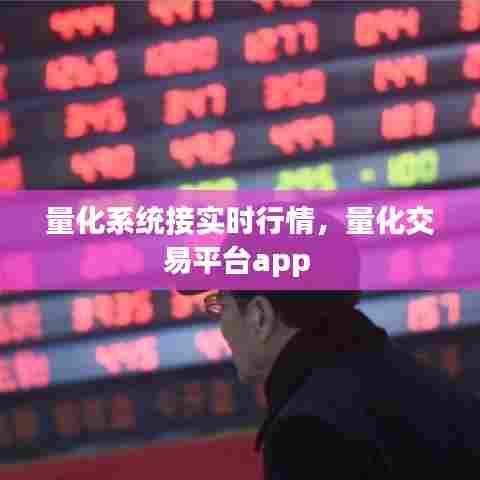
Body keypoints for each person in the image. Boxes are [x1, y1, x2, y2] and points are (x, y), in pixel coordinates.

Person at [179, 289, 480, 478]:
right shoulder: (426, 386)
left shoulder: (307, 433)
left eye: (222, 307)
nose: (222, 328)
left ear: (260, 315)